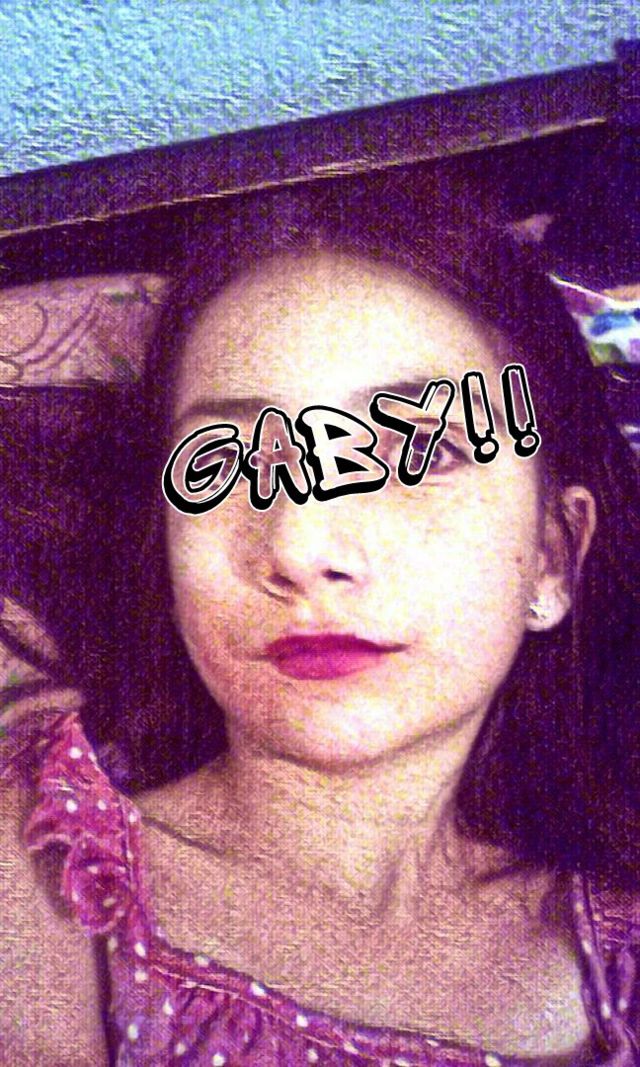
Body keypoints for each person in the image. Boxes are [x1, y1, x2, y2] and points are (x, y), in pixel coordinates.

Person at [1, 174, 640, 1066]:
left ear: (551, 557)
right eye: (228, 463)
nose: (301, 545)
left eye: (418, 450)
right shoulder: (46, 873)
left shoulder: (615, 933)